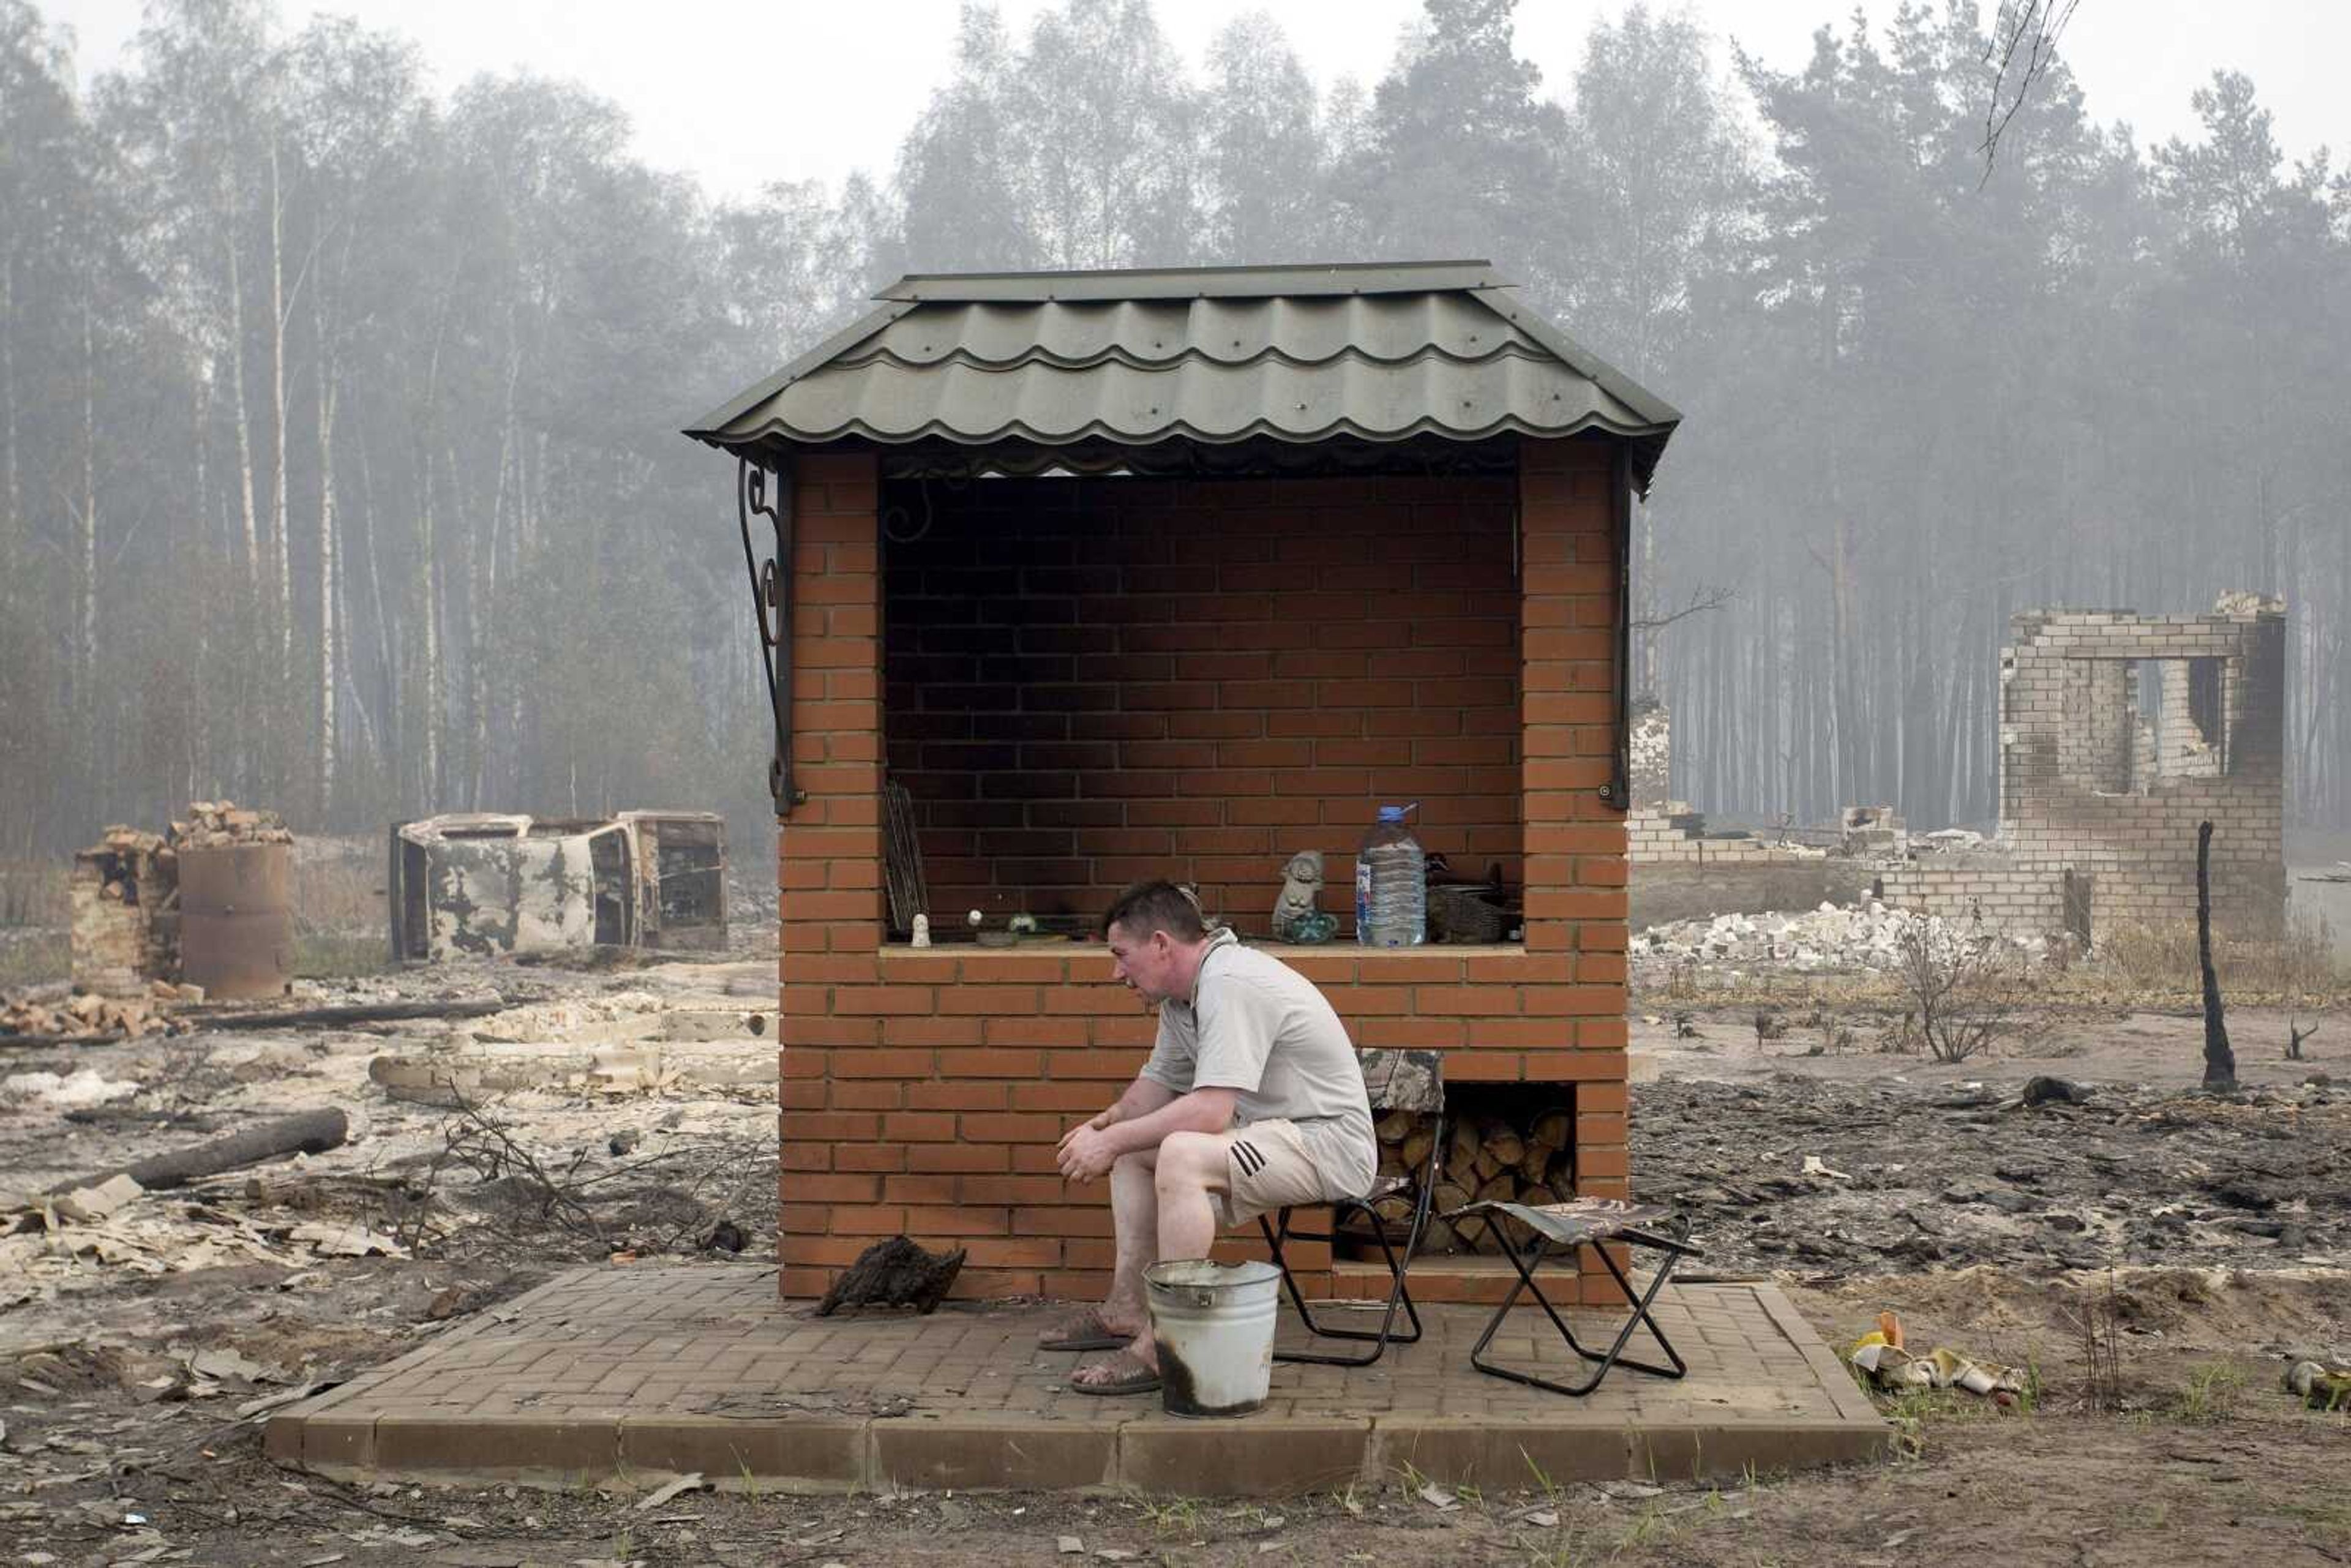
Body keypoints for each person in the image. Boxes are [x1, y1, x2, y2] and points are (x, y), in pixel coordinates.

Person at [1044, 879, 1377, 1395]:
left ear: (1160, 944)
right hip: (1271, 1135)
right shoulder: (1184, 998)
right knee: (1136, 1151)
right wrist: (1104, 1128)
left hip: (1327, 1145)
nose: (1117, 973)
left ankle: (1167, 1342)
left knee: (1181, 1151)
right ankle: (1127, 1309)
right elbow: (1157, 1086)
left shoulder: (1231, 982)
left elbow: (1209, 1109)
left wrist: (1110, 1142)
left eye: (1121, 955)